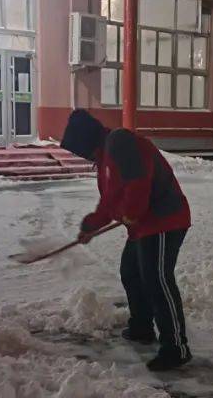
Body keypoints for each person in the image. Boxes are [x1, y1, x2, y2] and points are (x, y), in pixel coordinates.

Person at [61, 109, 193, 371]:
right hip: (144, 225)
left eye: (78, 149)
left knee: (157, 279)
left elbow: (137, 182)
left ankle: (176, 347)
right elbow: (110, 203)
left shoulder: (119, 141)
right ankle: (142, 327)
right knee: (131, 271)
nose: (80, 155)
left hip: (165, 220)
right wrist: (91, 225)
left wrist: (132, 212)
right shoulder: (105, 159)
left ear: (86, 139)